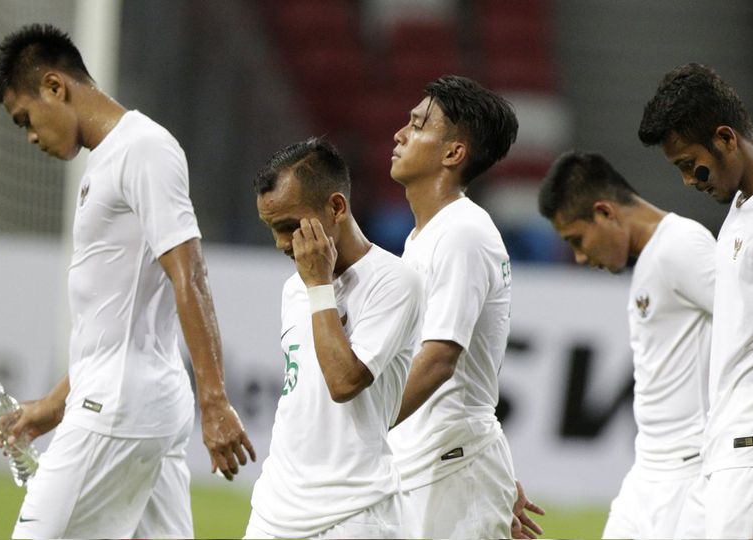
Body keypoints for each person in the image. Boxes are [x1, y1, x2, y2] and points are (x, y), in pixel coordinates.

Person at [0, 24, 255, 538]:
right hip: (132, 402)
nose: (31, 137)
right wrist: (52, 405)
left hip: (119, 408)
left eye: (26, 119)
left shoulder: (144, 149)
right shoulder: (106, 161)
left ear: (55, 87)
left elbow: (190, 273)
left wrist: (216, 400)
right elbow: (116, 322)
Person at [639, 62, 753, 539]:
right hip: (724, 449)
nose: (689, 180)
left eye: (690, 163)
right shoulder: (742, 209)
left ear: (726, 138)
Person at [386, 74, 544, 539]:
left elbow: (438, 360)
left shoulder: (461, 234)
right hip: (438, 459)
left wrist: (362, 428)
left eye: (417, 125)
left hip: (449, 462)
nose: (400, 134)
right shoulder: (426, 235)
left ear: (454, 153)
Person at [245, 137, 422, 539]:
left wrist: (320, 287)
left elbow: (344, 383)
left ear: (336, 207)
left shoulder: (394, 282)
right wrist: (314, 285)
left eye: (289, 226)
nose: (280, 244)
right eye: (272, 229)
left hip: (353, 515)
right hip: (275, 509)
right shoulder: (297, 288)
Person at [538, 150, 714, 538]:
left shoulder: (682, 247)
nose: (580, 257)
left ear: (605, 212)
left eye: (577, 240)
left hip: (691, 473)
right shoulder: (651, 260)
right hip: (648, 471)